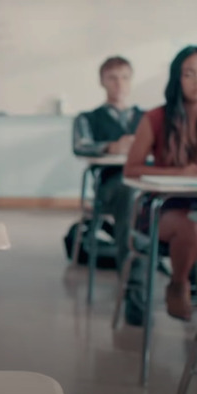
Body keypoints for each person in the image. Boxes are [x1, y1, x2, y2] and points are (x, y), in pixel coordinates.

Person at [123, 45, 197, 322]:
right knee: (191, 227)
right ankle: (179, 282)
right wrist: (181, 172)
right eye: (190, 74)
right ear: (177, 79)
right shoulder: (156, 118)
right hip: (163, 207)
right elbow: (132, 169)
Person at [73, 56, 145, 326]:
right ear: (102, 81)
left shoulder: (147, 118)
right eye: (113, 77)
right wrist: (110, 147)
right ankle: (134, 294)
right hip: (113, 186)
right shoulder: (88, 118)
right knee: (132, 198)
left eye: (125, 77)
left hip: (148, 183)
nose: (119, 83)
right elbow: (80, 146)